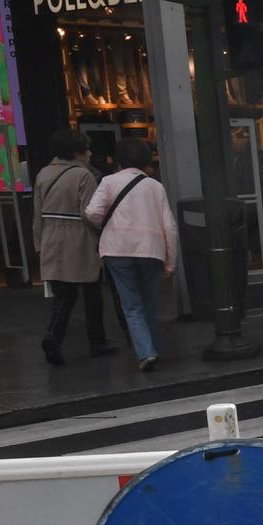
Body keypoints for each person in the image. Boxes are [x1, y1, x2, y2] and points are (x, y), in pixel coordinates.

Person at [87, 138, 179, 372]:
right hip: (150, 249)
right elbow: (169, 226)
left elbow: (92, 213)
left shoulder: (108, 182)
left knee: (131, 304)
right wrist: (171, 262)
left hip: (117, 248)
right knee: (151, 302)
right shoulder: (155, 186)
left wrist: (106, 225)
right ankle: (153, 348)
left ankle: (145, 352)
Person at [32, 129, 114, 365]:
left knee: (64, 296)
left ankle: (54, 335)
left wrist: (39, 243)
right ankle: (97, 341)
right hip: (79, 238)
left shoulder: (44, 174)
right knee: (92, 293)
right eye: (86, 149)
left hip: (51, 237)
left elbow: (37, 213)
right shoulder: (83, 176)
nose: (89, 153)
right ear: (77, 153)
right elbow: (90, 213)